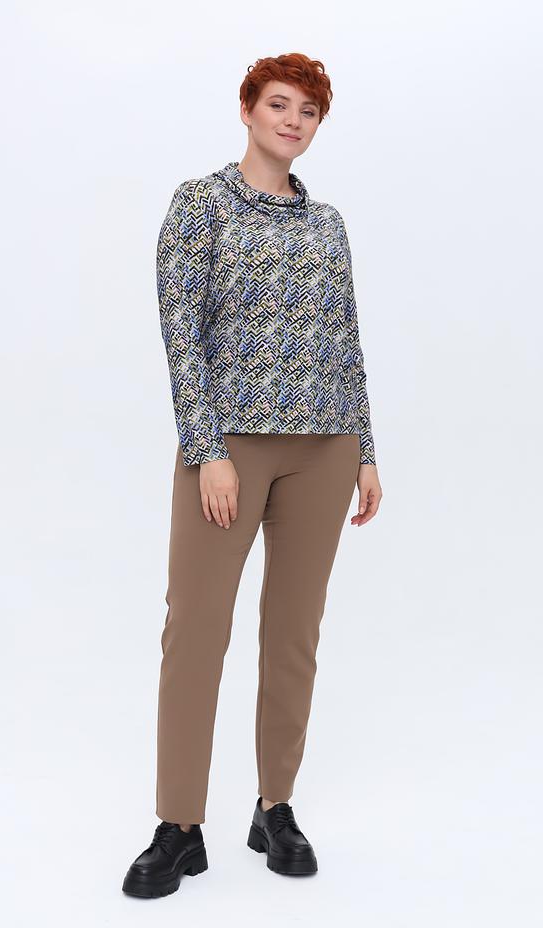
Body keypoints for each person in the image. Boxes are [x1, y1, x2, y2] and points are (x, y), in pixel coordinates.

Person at [122, 52, 383, 898]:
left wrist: (365, 448)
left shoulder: (328, 223)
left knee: (294, 633)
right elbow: (181, 330)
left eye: (308, 111)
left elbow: (346, 338)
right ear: (247, 109)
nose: (293, 121)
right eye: (279, 104)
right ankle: (178, 825)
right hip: (230, 445)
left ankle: (275, 807)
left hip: (325, 445)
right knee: (196, 629)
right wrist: (207, 450)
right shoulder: (199, 203)